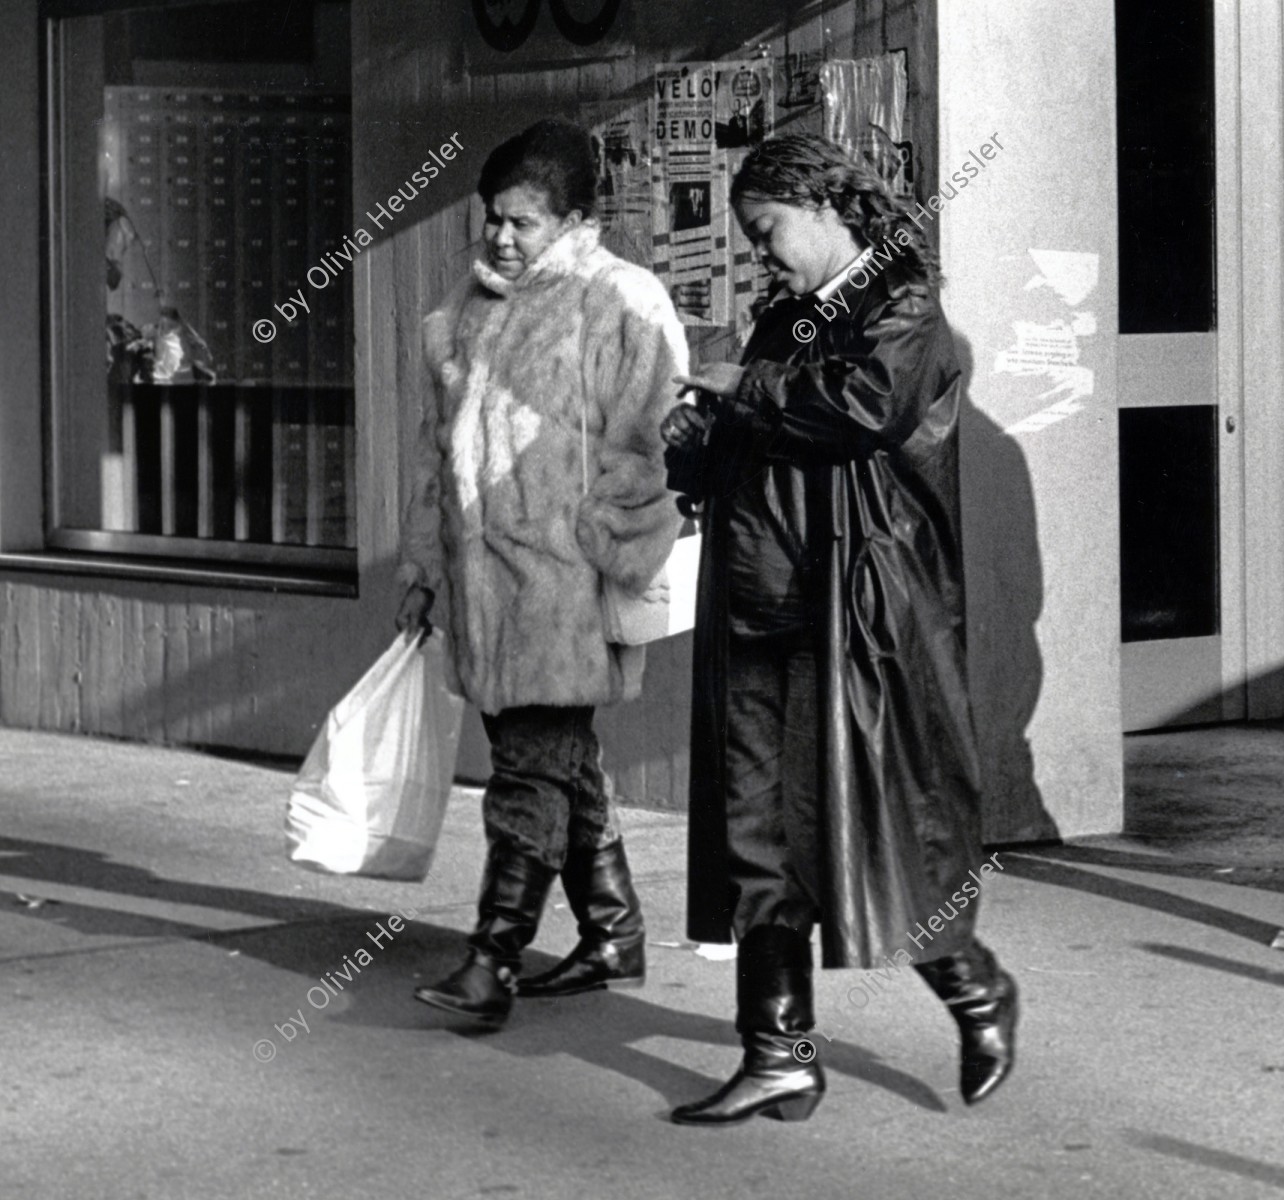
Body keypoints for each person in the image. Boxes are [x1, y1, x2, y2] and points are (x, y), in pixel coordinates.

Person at [660, 133, 1018, 1125]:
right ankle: (777, 1052)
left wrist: (741, 389)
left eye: (767, 231)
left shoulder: (908, 313)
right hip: (759, 603)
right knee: (755, 832)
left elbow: (859, 409)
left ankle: (976, 990)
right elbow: (766, 435)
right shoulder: (787, 317)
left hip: (857, 617)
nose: (761, 254)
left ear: (823, 208)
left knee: (884, 825)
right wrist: (696, 447)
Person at [398, 118, 689, 1026]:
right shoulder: (469, 306)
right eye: (493, 218)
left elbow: (649, 445)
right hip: (485, 593)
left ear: (574, 218)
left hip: (564, 589)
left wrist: (602, 548)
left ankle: (493, 960)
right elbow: (436, 456)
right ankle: (612, 932)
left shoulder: (621, 301)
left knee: (528, 769)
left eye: (524, 221)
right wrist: (427, 569)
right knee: (556, 762)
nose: (501, 237)